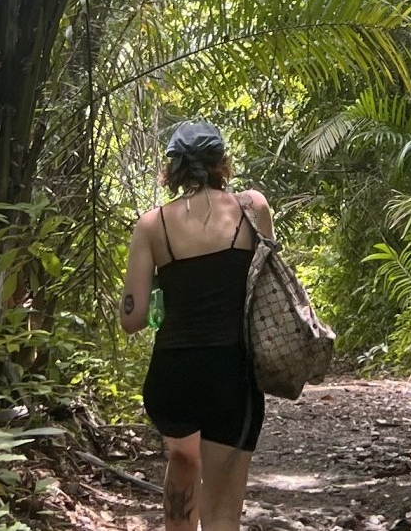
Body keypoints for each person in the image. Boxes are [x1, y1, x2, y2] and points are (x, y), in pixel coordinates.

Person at [119, 121, 273, 531]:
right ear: (222, 162)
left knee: (183, 461)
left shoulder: (153, 225)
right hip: (232, 374)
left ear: (172, 170)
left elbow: (131, 320)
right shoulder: (251, 207)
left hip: (173, 373)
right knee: (223, 512)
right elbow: (264, 290)